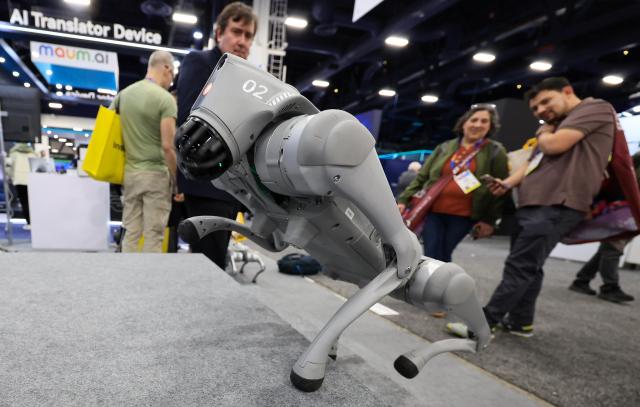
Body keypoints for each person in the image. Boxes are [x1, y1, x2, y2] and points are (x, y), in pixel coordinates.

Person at [478, 77, 616, 336]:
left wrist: (543, 131)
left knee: (520, 265)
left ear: (567, 91)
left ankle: (485, 323)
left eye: (545, 102)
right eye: (535, 109)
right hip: (535, 203)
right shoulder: (557, 125)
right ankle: (521, 322)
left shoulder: (592, 108)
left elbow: (554, 146)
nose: (540, 111)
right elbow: (533, 164)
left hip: (557, 203)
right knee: (530, 265)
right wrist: (507, 184)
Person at [176, 1, 257, 268]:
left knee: (214, 259)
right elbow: (190, 115)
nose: (242, 41)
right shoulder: (200, 62)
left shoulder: (248, 77)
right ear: (219, 32)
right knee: (207, 263)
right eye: (236, 31)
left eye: (248, 36)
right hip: (205, 180)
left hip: (231, 185)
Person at [397, 105, 509, 263]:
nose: (478, 124)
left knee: (443, 252)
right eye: (474, 120)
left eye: (484, 121)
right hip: (433, 210)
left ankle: (435, 283)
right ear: (464, 123)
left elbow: (499, 190)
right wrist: (403, 200)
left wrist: (490, 221)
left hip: (464, 216)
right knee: (432, 250)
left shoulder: (496, 152)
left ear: (490, 126)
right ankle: (434, 283)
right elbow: (421, 177)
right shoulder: (444, 148)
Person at [114, 50, 177, 253]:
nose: (171, 81)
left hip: (130, 174)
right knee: (153, 235)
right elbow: (168, 146)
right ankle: (148, 283)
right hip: (156, 177)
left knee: (131, 231)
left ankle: (128, 279)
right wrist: (177, 181)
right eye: (173, 75)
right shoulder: (165, 100)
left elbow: (110, 129)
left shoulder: (123, 95)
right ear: (166, 68)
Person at [567, 151, 640, 303]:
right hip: (624, 208)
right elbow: (628, 182)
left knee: (609, 247)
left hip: (628, 209)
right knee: (613, 248)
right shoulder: (635, 158)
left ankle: (582, 280)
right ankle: (610, 287)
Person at [5, 142, 37, 229]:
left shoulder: (13, 153)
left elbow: (8, 167)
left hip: (19, 180)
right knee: (32, 202)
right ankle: (34, 222)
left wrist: (10, 176)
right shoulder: (32, 154)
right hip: (31, 180)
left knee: (24, 202)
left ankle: (29, 223)